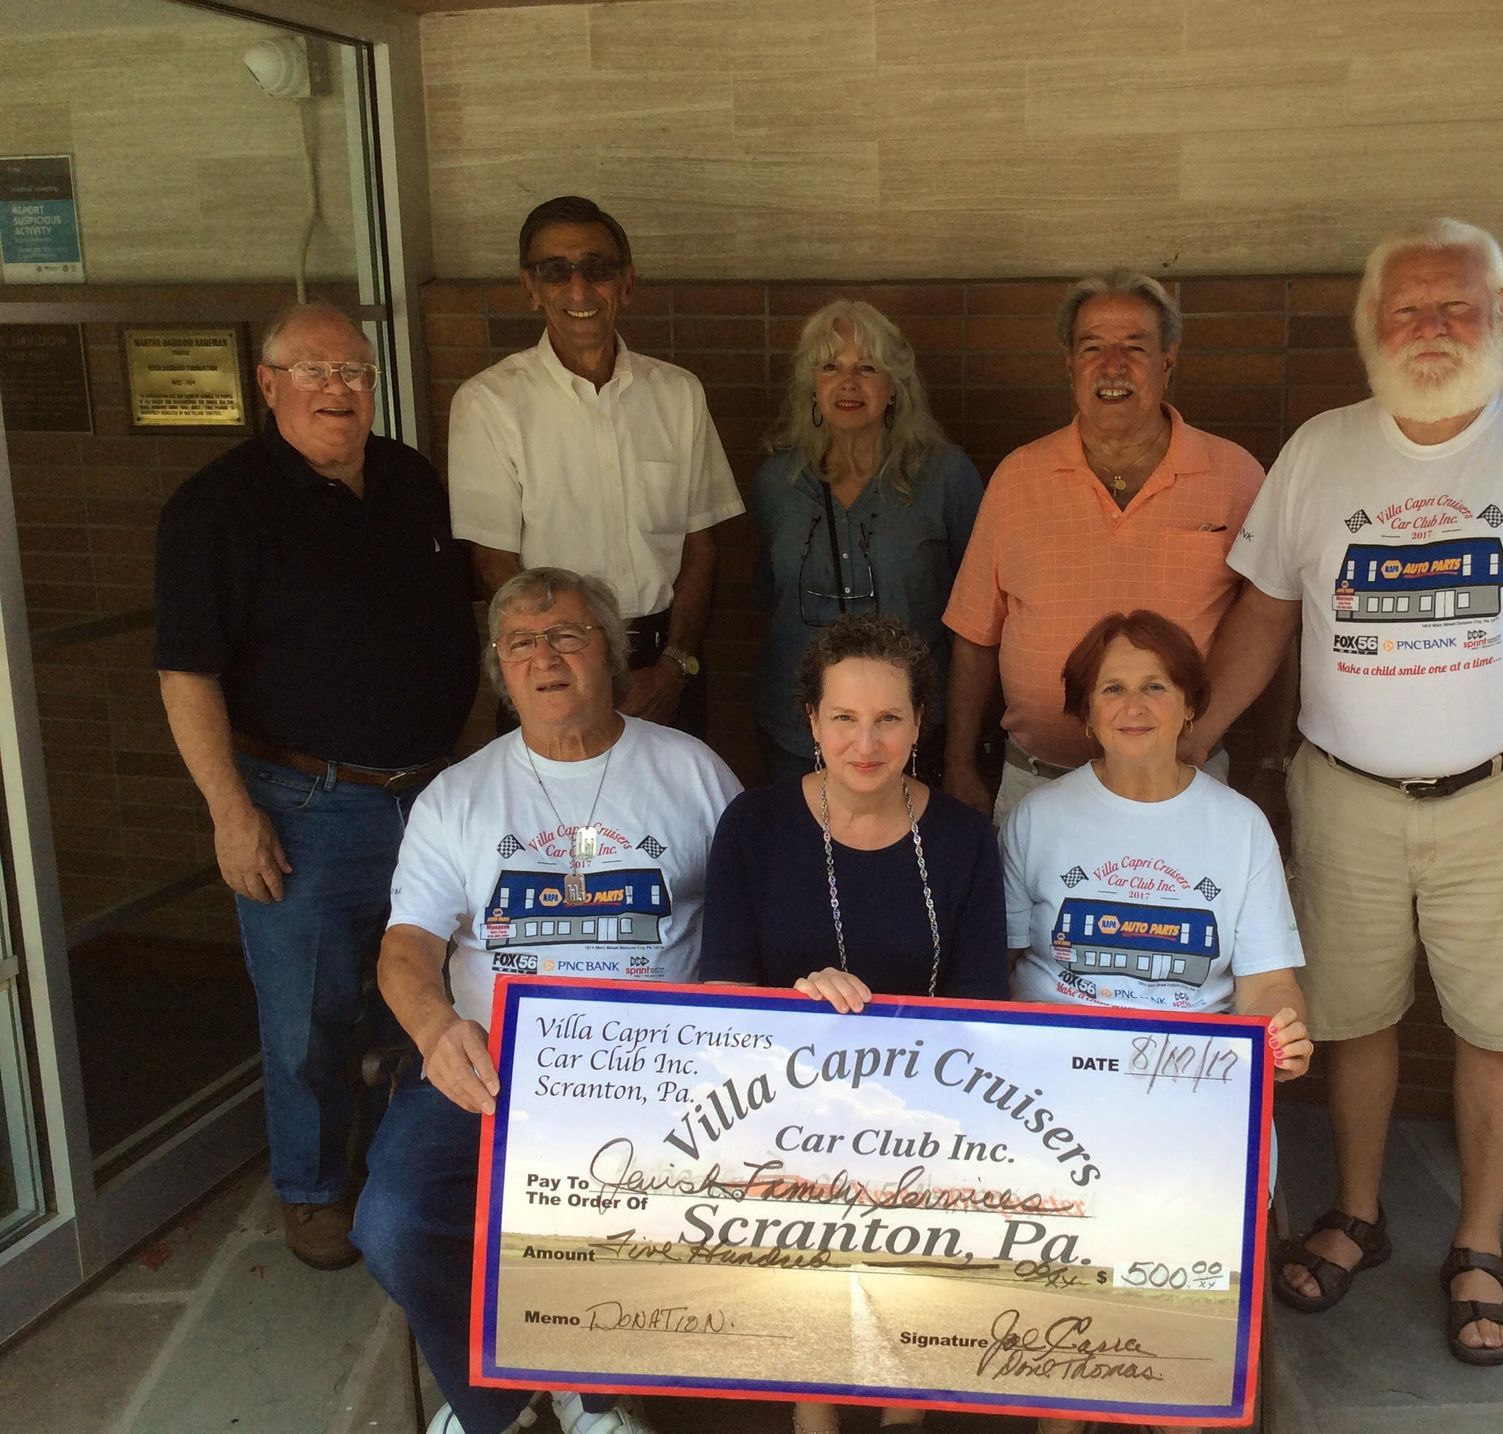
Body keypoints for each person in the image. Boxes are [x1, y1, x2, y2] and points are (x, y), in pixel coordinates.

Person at [1194, 218, 1503, 1365]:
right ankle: (1357, 1214)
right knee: (1352, 1017)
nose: (1431, 327)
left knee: (1501, 1030)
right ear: (1372, 330)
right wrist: (1197, 735)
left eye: (1457, 304)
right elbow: (1264, 611)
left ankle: (1483, 1241)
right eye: (1406, 309)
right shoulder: (1320, 450)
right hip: (1344, 791)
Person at [353, 568, 741, 1434]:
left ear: (613, 652)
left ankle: (591, 1391)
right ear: (501, 668)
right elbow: (406, 947)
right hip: (490, 1070)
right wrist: (434, 1029)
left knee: (630, 1217)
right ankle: (503, 1400)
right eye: (522, 642)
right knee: (395, 1221)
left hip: (657, 1079)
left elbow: (755, 920)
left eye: (567, 634)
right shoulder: (458, 796)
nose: (545, 656)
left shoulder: (693, 774)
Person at [153, 300, 476, 1270]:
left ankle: (390, 1168)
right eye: (315, 371)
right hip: (302, 803)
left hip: (427, 797)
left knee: (415, 992)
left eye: (356, 374)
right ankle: (310, 1186)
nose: (339, 391)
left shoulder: (411, 480)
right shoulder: (216, 509)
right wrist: (229, 813)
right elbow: (186, 674)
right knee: (308, 1012)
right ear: (268, 385)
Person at [1000, 609, 1313, 1434]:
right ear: (1085, 709)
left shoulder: (1239, 826)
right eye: (1112, 688)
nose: (1133, 705)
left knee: (1183, 1350)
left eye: (1154, 686)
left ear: (1188, 704)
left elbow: (1270, 982)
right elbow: (993, 978)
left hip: (1192, 1105)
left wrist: (1285, 1036)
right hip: (1056, 1102)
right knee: (1054, 1336)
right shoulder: (1037, 819)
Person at [704, 614, 1009, 1434]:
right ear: (810, 720)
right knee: (816, 1179)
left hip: (932, 1110)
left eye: (889, 720)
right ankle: (816, 1409)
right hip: (782, 1101)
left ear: (919, 725)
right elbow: (721, 992)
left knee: (909, 1179)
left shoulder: (965, 838)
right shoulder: (755, 827)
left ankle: (902, 1409)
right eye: (844, 717)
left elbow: (984, 1002)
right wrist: (798, 1005)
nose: (865, 742)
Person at [941, 270, 1273, 826]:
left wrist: (1270, 760)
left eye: (1134, 348)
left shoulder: (1235, 476)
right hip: (1036, 783)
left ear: (1169, 359)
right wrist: (958, 763)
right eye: (1093, 347)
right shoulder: (1018, 477)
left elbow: (1272, 628)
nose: (1112, 366)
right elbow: (974, 636)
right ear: (1069, 363)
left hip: (1184, 784)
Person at [448, 195, 744, 735]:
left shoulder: (679, 394)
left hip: (664, 664)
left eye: (598, 270)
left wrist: (675, 668)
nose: (579, 289)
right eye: (555, 271)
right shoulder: (487, 402)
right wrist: (564, 663)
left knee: (675, 819)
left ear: (626, 283)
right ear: (530, 288)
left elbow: (701, 546)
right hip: (550, 668)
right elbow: (494, 564)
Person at [750, 301, 981, 785]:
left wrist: (962, 751)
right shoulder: (777, 483)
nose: (848, 383)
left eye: (867, 368)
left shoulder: (945, 476)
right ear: (812, 386)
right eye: (831, 367)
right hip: (798, 736)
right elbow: (767, 595)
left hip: (908, 736)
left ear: (895, 387)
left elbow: (975, 619)